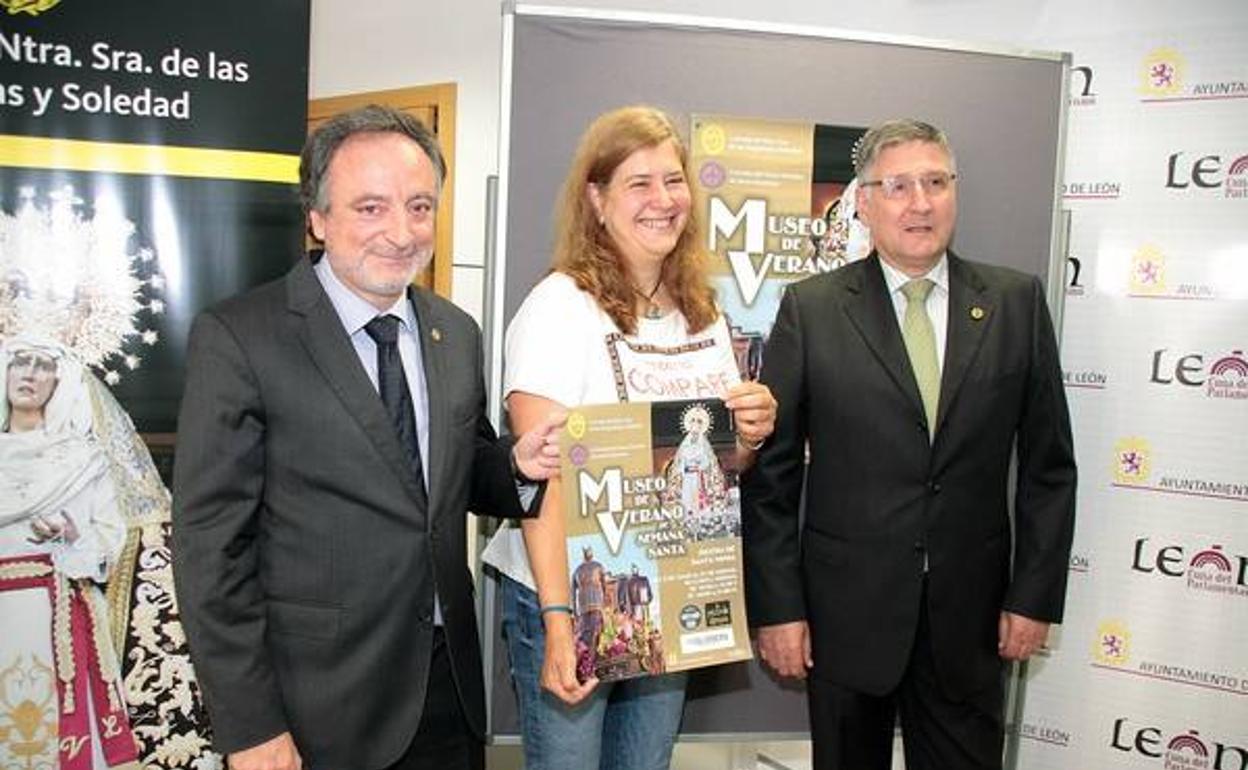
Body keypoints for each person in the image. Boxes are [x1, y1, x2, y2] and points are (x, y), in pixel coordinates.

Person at [171, 105, 564, 770]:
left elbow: (459, 474)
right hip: (314, 704)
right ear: (317, 218)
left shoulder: (455, 330)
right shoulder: (242, 337)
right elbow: (210, 549)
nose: (402, 232)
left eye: (419, 206)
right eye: (371, 208)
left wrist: (518, 466)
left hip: (446, 689)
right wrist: (250, 725)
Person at [743, 119, 1077, 770]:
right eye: (897, 186)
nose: (920, 202)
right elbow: (773, 479)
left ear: (956, 192)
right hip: (845, 621)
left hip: (972, 621)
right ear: (863, 204)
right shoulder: (810, 310)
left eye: (935, 182)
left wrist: (1033, 596)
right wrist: (778, 609)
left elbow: (1048, 468)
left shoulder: (1015, 303)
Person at [481, 105, 777, 770]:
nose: (662, 201)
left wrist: (751, 435)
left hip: (664, 591)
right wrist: (560, 621)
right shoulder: (559, 308)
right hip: (569, 595)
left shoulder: (703, 313)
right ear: (597, 197)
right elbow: (539, 481)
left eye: (673, 182)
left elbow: (723, 467)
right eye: (638, 183)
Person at [0, 340, 140, 770]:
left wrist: (74, 538)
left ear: (59, 381)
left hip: (60, 613)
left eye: (43, 365)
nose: (29, 373)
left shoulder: (85, 459)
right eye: (20, 361)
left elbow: (112, 543)